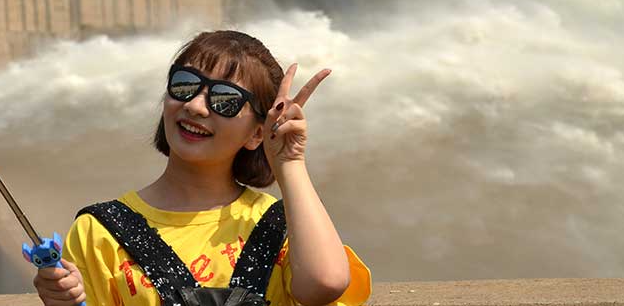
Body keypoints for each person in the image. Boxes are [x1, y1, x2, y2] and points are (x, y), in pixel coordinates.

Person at [33, 30, 371, 306]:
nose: (195, 105)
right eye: (184, 84)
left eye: (225, 100)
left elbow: (325, 284)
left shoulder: (283, 227)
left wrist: (290, 163)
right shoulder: (98, 231)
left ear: (256, 133)